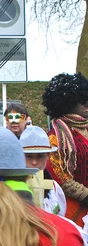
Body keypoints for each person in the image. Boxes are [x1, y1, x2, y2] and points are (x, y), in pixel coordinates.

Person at [43, 73, 88, 227]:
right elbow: (60, 176)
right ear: (68, 103)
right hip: (72, 210)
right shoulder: (56, 136)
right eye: (82, 101)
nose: (87, 104)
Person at [20, 126, 67, 217]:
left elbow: (61, 219)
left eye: (40, 156)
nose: (34, 162)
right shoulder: (11, 188)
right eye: (29, 156)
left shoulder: (54, 188)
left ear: (48, 156)